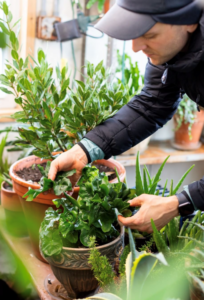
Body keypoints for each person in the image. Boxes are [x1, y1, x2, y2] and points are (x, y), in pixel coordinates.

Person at [49, 0, 204, 233]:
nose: (135, 47)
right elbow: (151, 105)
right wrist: (83, 151)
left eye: (149, 35)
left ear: (190, 23)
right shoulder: (171, 51)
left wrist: (179, 203)